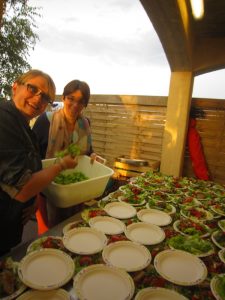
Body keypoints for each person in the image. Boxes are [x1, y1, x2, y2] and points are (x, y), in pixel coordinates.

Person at [0, 70, 77, 256]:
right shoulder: (4, 119)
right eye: (33, 89)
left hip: (8, 226)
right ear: (15, 87)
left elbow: (28, 168)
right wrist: (61, 166)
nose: (38, 99)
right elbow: (22, 187)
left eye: (45, 98)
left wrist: (32, 201)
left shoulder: (24, 126)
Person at [33, 79, 99, 227]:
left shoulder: (85, 123)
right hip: (48, 188)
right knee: (49, 232)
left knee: (73, 227)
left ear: (85, 105)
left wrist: (93, 156)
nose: (75, 105)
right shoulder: (46, 120)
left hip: (76, 188)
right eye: (71, 99)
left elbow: (88, 150)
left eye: (81, 102)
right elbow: (32, 154)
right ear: (63, 98)